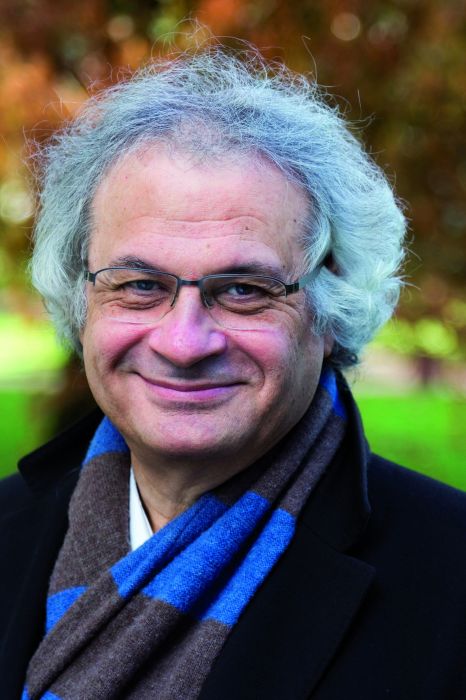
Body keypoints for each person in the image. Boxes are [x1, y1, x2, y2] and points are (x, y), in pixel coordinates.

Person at [1, 46, 465, 700]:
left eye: (244, 290)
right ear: (81, 300)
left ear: (332, 309)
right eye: (139, 285)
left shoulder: (451, 577)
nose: (184, 343)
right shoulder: (9, 529)